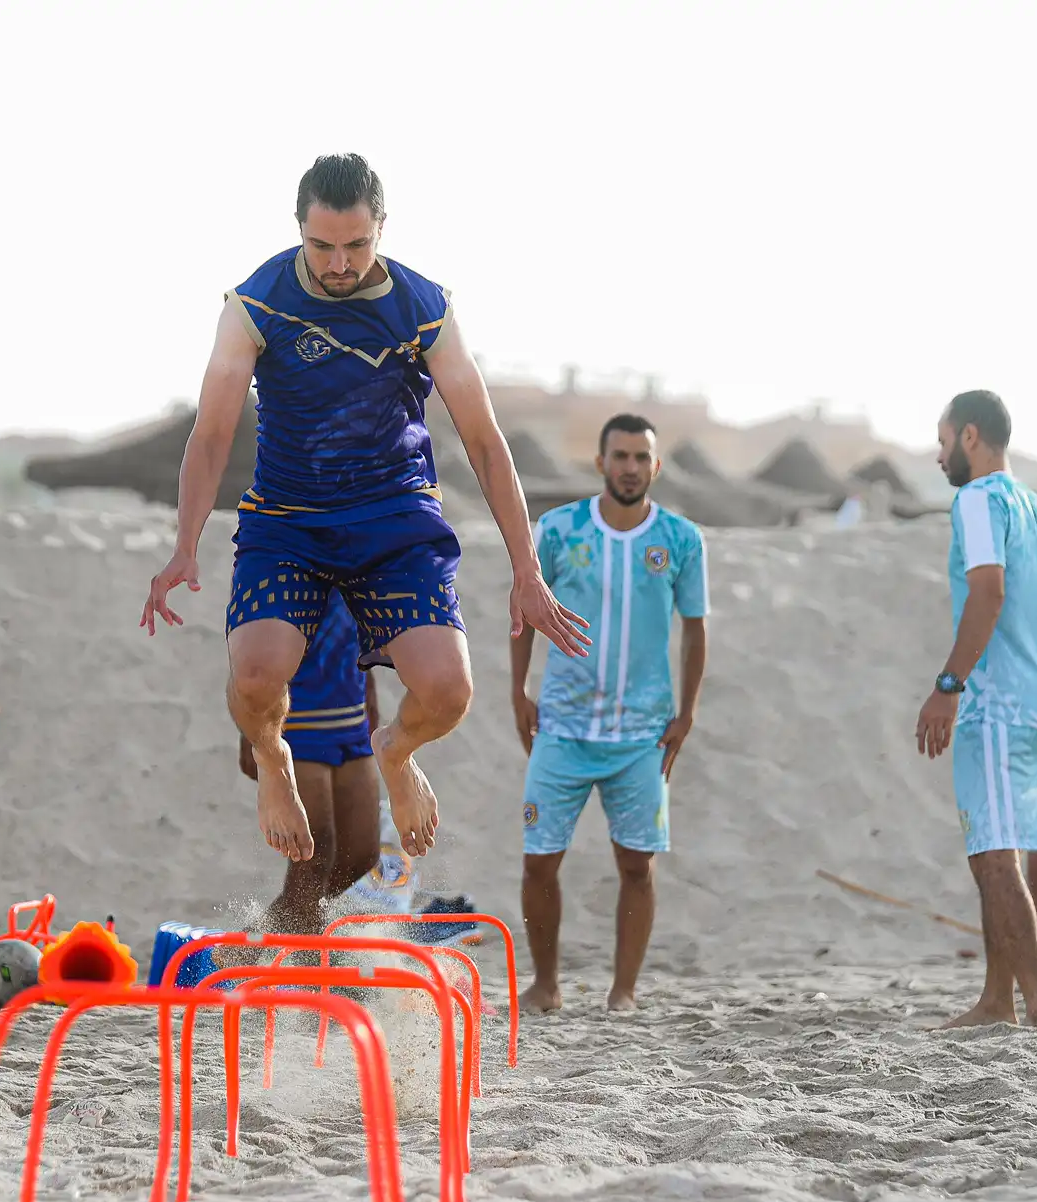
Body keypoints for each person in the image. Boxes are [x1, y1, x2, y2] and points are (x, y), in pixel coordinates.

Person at [142, 153, 590, 869]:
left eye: (356, 245)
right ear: (298, 229)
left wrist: (526, 569)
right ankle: (274, 760)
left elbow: (483, 438)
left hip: (394, 517)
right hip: (288, 518)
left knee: (447, 692)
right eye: (321, 245)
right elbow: (213, 433)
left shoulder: (423, 306)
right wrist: (185, 544)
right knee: (255, 673)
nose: (339, 263)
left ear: (382, 228)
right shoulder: (255, 304)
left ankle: (398, 751)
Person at [510, 415, 708, 1014]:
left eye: (641, 457)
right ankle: (546, 984)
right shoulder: (557, 529)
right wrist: (518, 689)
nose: (630, 467)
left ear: (656, 466)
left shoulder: (681, 539)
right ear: (600, 462)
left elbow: (694, 629)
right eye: (620, 456)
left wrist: (686, 712)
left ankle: (623, 991)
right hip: (563, 727)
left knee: (637, 866)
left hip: (641, 735)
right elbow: (526, 609)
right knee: (539, 861)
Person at [914, 390, 1037, 1031]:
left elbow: (987, 592)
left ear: (969, 435)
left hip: (997, 706)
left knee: (993, 857)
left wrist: (948, 685)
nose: (939, 457)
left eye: (942, 442)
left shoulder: (978, 499)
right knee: (995, 853)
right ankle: (997, 1000)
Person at [234, 591, 383, 935]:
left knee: (361, 855)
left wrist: (371, 699)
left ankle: (277, 937)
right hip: (296, 719)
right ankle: (283, 954)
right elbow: (248, 638)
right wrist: (251, 733)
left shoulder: (362, 559)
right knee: (314, 856)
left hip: (351, 715)